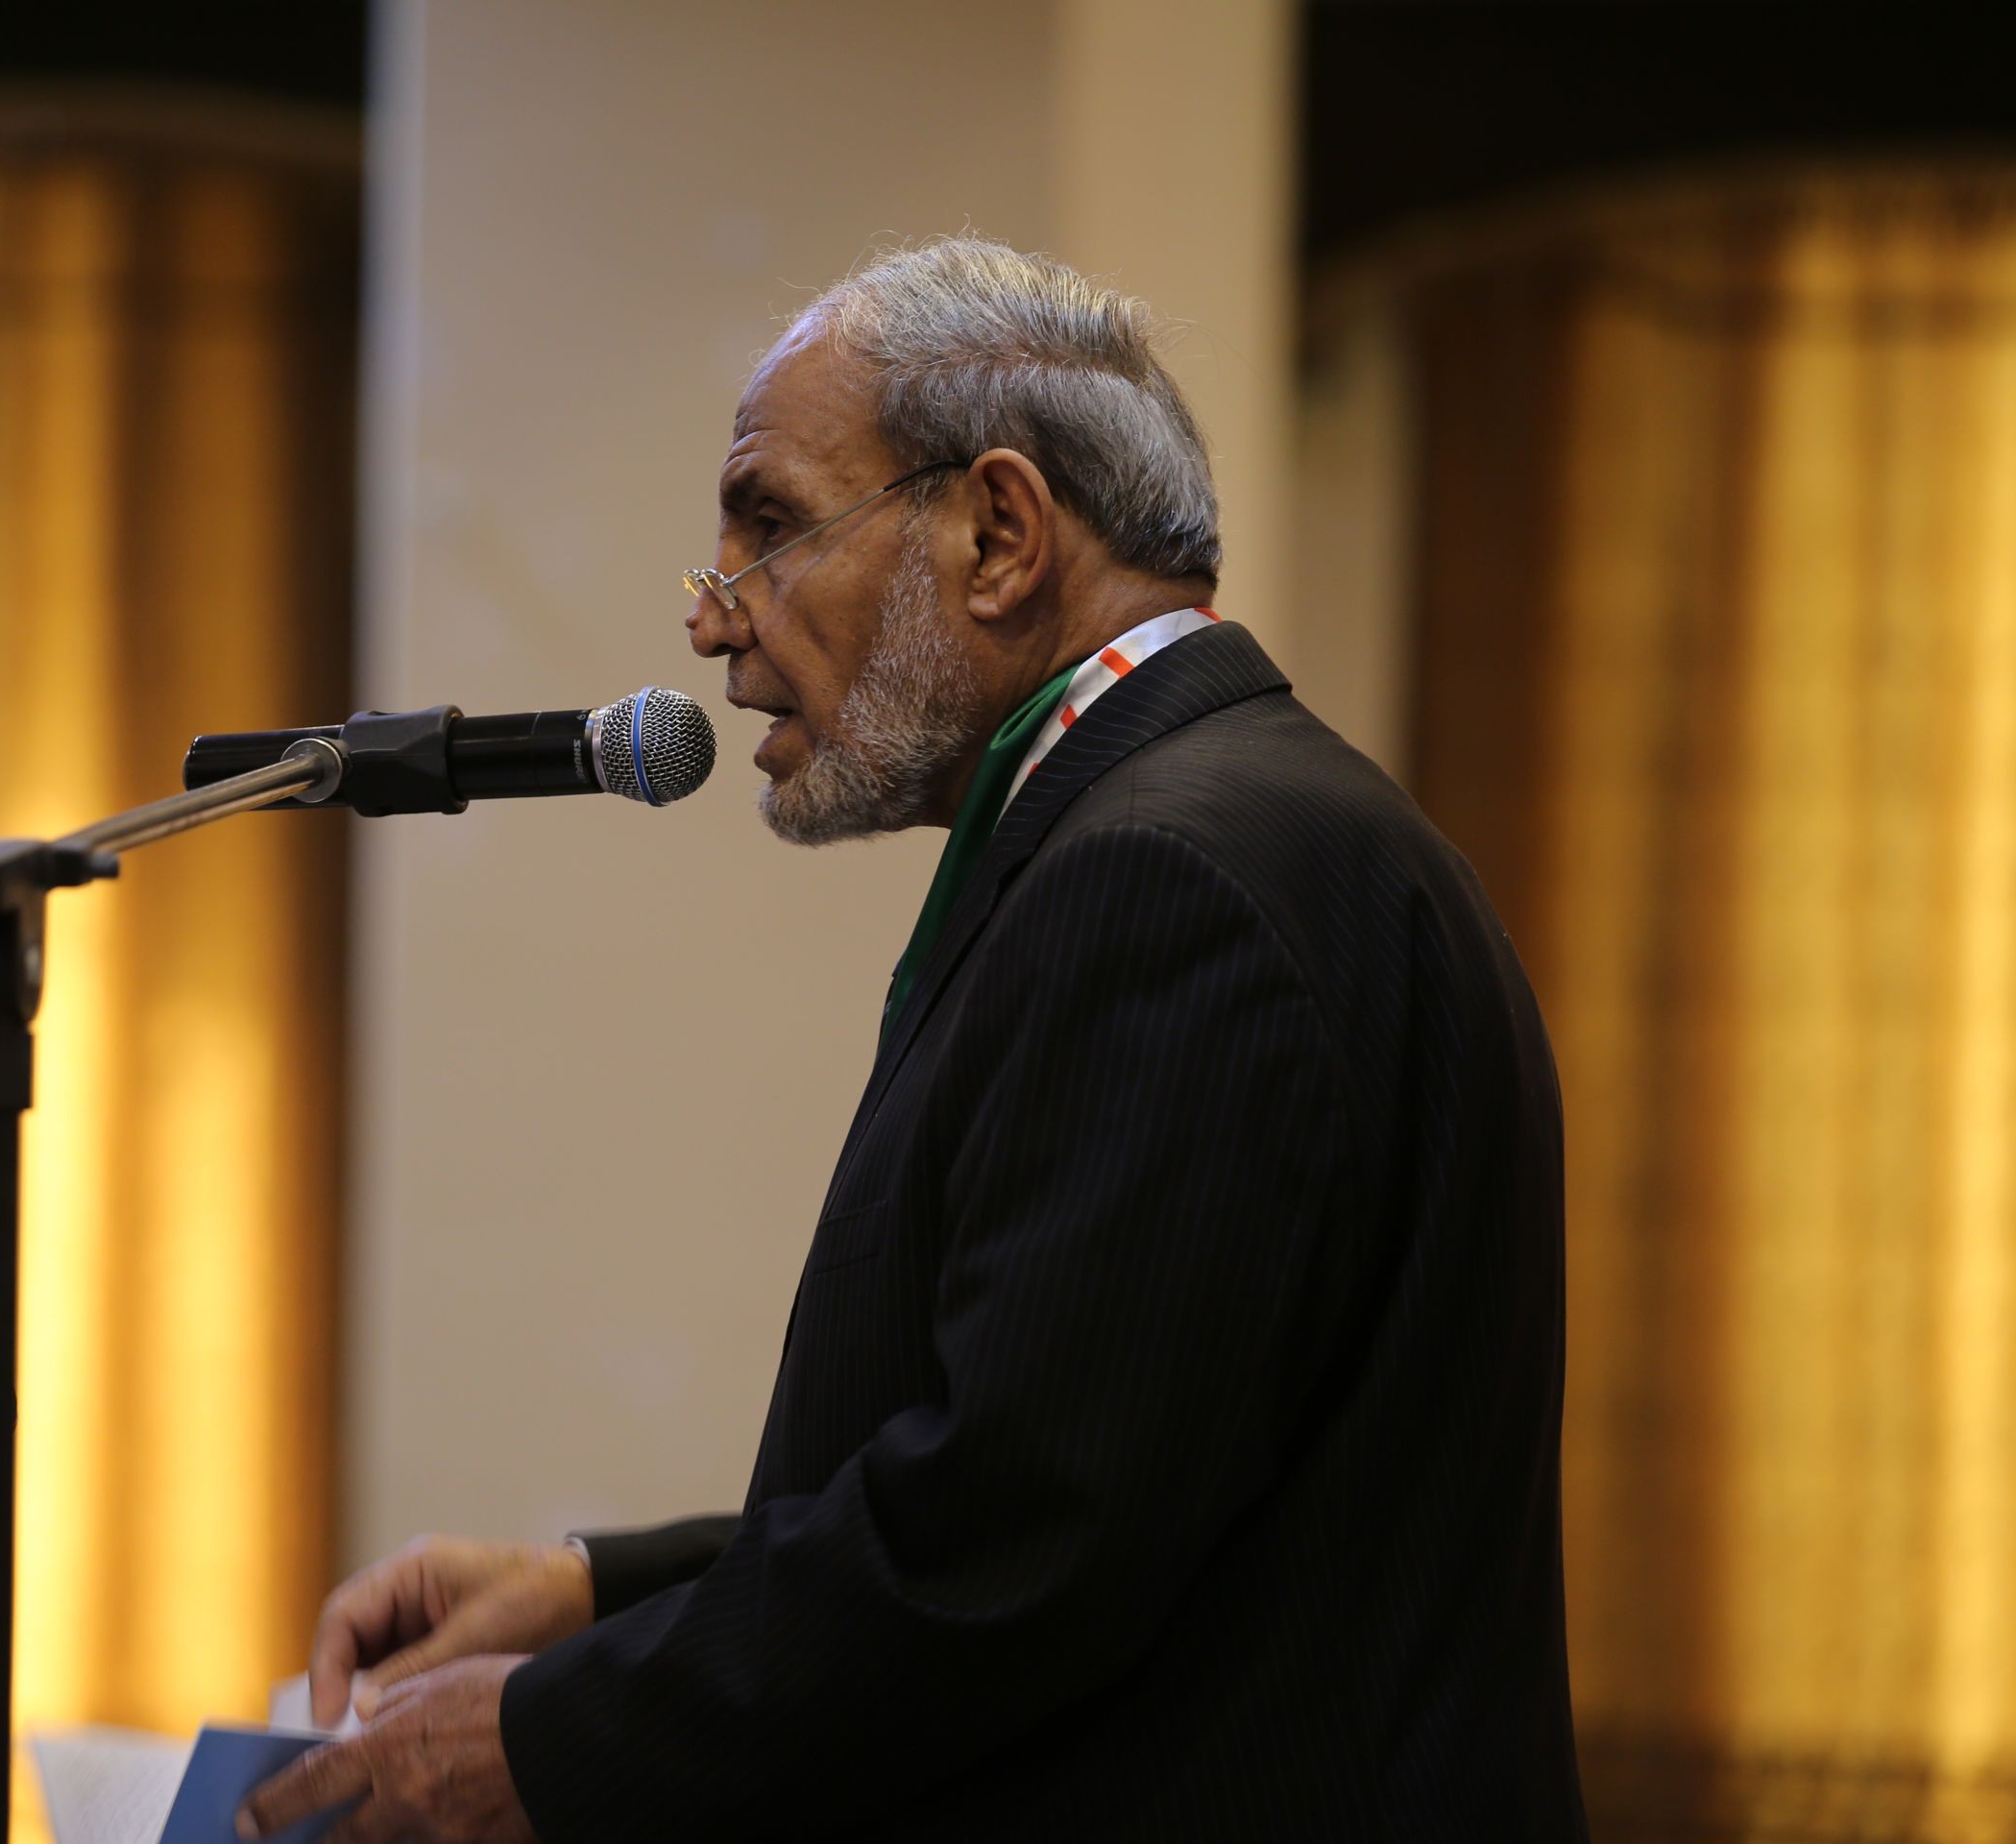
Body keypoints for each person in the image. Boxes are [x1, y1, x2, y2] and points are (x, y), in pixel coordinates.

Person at [241, 238, 1583, 1842]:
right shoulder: (1227, 826)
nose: (712, 623)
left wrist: (554, 1737)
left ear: (998, 535)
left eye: (771, 526)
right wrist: (603, 1594)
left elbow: (1016, 1542)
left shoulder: (1174, 880)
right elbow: (1069, 1466)